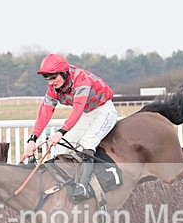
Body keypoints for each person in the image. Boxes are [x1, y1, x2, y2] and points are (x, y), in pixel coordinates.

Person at [23, 54, 118, 202]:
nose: (51, 82)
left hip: (104, 111)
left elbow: (78, 109)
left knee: (88, 142)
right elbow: (46, 111)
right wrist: (32, 139)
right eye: (48, 79)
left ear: (65, 73)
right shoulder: (53, 88)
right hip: (87, 114)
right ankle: (66, 183)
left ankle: (84, 186)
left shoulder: (81, 80)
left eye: (54, 78)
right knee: (61, 147)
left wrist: (60, 132)